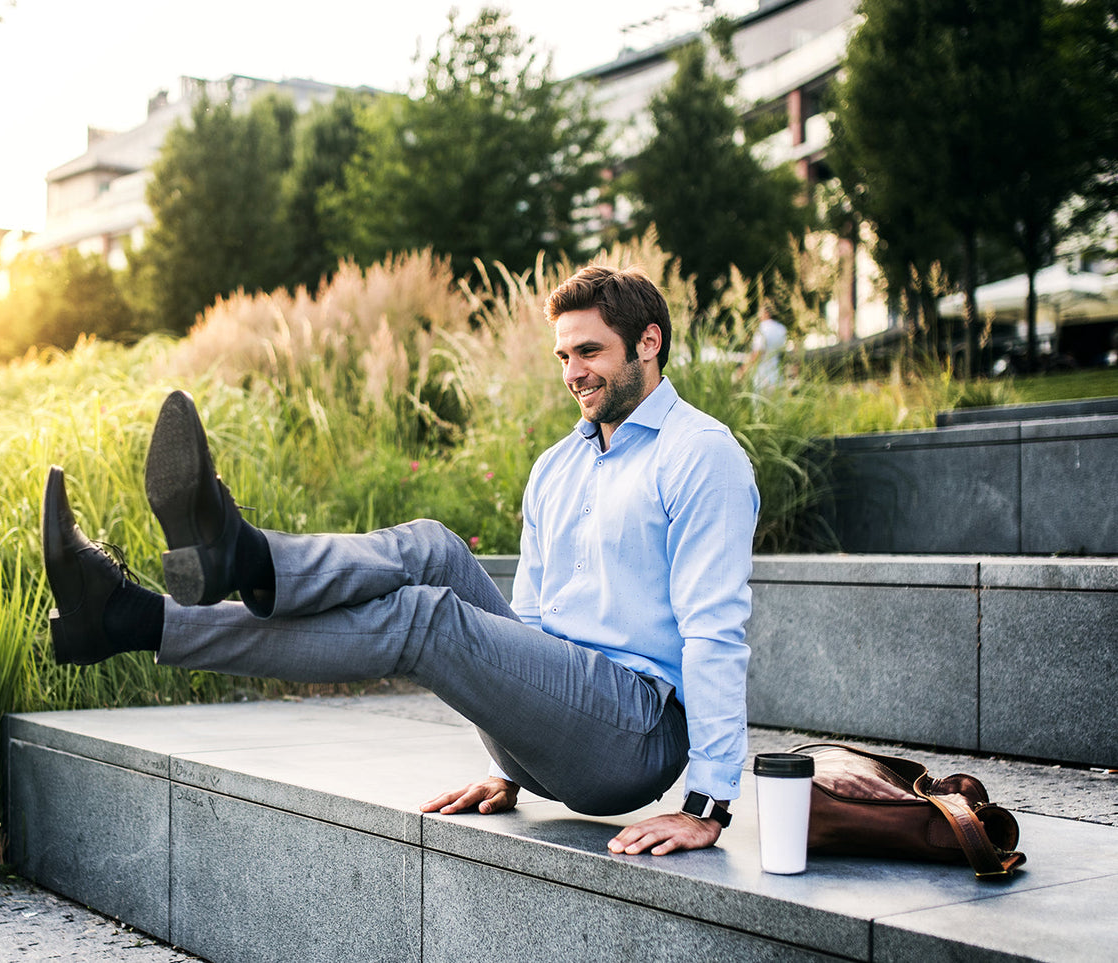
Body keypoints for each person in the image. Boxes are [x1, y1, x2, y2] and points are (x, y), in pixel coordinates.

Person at [41, 264, 759, 856]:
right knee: (434, 546)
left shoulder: (699, 455)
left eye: (590, 352)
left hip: (633, 735)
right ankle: (198, 582)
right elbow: (532, 622)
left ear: (648, 342)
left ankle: (176, 594)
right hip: (556, 717)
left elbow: (714, 632)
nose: (572, 373)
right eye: (563, 356)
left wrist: (708, 804)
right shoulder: (557, 465)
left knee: (426, 617)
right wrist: (506, 758)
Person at [741, 302, 788, 391]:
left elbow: (757, 353)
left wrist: (742, 371)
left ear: (766, 313)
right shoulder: (782, 329)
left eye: (760, 312)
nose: (758, 315)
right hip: (777, 376)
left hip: (762, 378)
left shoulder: (762, 329)